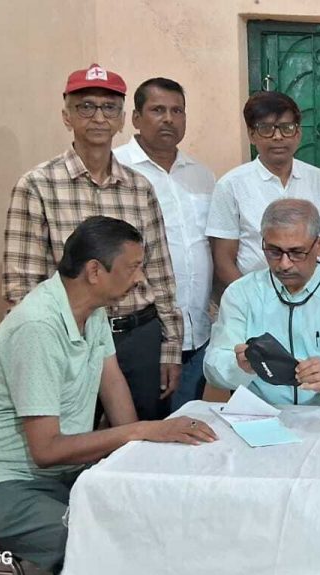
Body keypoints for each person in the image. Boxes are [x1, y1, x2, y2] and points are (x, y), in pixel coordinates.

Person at [0, 217, 216, 575]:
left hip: (46, 476)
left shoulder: (91, 312)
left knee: (145, 512)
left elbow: (114, 386)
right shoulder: (38, 327)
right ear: (94, 271)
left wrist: (138, 460)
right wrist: (144, 431)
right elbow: (47, 450)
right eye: (133, 267)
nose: (139, 278)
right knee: (93, 543)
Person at [2, 63, 183, 421]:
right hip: (72, 336)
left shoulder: (139, 188)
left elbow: (160, 273)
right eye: (86, 106)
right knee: (72, 434)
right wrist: (39, 350)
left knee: (144, 435)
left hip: (138, 335)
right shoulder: (38, 186)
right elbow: (22, 285)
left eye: (109, 108)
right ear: (66, 115)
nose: (99, 117)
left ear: (122, 119)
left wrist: (170, 347)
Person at [204, 199, 320, 406]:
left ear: (319, 246)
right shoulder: (241, 293)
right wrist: (238, 366)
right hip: (261, 412)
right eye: (274, 252)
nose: (284, 264)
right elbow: (213, 366)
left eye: (296, 253)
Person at [113, 77, 216, 410]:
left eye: (177, 111)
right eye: (158, 110)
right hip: (142, 332)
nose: (169, 119)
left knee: (186, 420)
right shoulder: (117, 171)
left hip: (197, 331)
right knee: (144, 425)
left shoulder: (202, 175)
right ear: (136, 118)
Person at [207, 91, 320, 286]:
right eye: (266, 129)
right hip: (255, 297)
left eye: (287, 128)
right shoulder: (230, 185)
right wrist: (251, 299)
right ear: (252, 135)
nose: (278, 136)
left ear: (298, 133)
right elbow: (224, 262)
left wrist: (314, 294)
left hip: (315, 296)